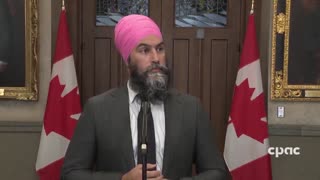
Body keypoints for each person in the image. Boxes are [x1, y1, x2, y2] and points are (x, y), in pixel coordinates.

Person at [61, 14, 228, 180]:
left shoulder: (191, 108)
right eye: (144, 50)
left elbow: (218, 173)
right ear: (127, 60)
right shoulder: (97, 110)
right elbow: (71, 174)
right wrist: (123, 179)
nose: (156, 58)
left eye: (160, 49)